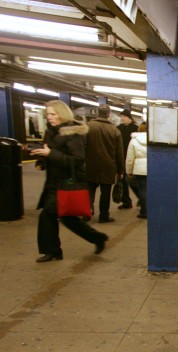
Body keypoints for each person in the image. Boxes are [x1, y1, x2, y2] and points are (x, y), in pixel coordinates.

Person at [30, 100, 108, 262]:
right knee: (68, 218)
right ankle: (97, 238)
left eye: (53, 113)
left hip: (68, 182)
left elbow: (77, 159)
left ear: (62, 114)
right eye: (48, 114)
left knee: (47, 215)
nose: (49, 117)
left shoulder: (72, 133)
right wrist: (42, 160)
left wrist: (50, 155)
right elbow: (51, 152)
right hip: (53, 182)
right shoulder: (51, 132)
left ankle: (52, 251)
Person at [85, 104, 124, 223]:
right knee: (105, 193)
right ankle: (104, 216)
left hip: (90, 164)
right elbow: (119, 152)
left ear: (97, 113)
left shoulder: (87, 127)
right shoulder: (115, 130)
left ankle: (86, 213)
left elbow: (82, 146)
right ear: (108, 114)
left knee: (89, 190)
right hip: (108, 166)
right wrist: (120, 170)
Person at [115, 109, 138, 209]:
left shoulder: (136, 128)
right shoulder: (118, 128)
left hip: (133, 158)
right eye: (121, 117)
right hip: (121, 158)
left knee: (133, 181)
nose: (122, 118)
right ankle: (126, 201)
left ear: (129, 117)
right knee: (123, 181)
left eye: (123, 116)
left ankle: (142, 198)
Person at [125, 122, 148, 219]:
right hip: (152, 168)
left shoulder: (133, 140)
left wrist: (129, 170)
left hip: (139, 169)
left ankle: (144, 212)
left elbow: (130, 158)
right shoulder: (152, 140)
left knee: (143, 191)